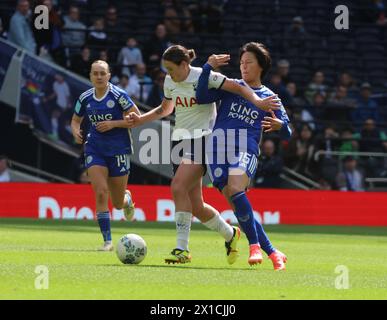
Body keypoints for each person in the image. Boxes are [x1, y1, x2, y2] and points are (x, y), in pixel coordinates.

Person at [126, 45, 280, 265]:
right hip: (179, 140)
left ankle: (182, 249)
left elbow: (238, 87)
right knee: (196, 206)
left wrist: (257, 101)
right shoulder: (171, 82)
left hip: (204, 139)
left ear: (184, 64)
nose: (169, 74)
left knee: (178, 186)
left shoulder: (205, 76)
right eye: (166, 70)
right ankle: (230, 234)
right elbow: (165, 109)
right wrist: (140, 119)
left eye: (171, 69)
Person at [196, 42, 291, 270]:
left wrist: (280, 125)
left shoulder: (269, 97)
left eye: (248, 62)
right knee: (238, 204)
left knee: (236, 188)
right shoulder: (232, 86)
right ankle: (273, 252)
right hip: (217, 150)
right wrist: (207, 67)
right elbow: (201, 96)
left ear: (261, 66)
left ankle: (254, 245)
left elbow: (288, 131)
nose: (243, 67)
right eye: (241, 63)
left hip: (244, 148)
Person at [71, 60, 138, 251]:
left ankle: (126, 199)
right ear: (91, 76)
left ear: (109, 76)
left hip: (118, 150)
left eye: (102, 73)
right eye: (95, 73)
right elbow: (75, 120)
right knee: (100, 192)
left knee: (117, 204)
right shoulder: (84, 98)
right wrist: (75, 131)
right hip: (94, 149)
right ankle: (108, 241)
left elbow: (136, 118)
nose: (99, 76)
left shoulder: (119, 96)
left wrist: (114, 124)